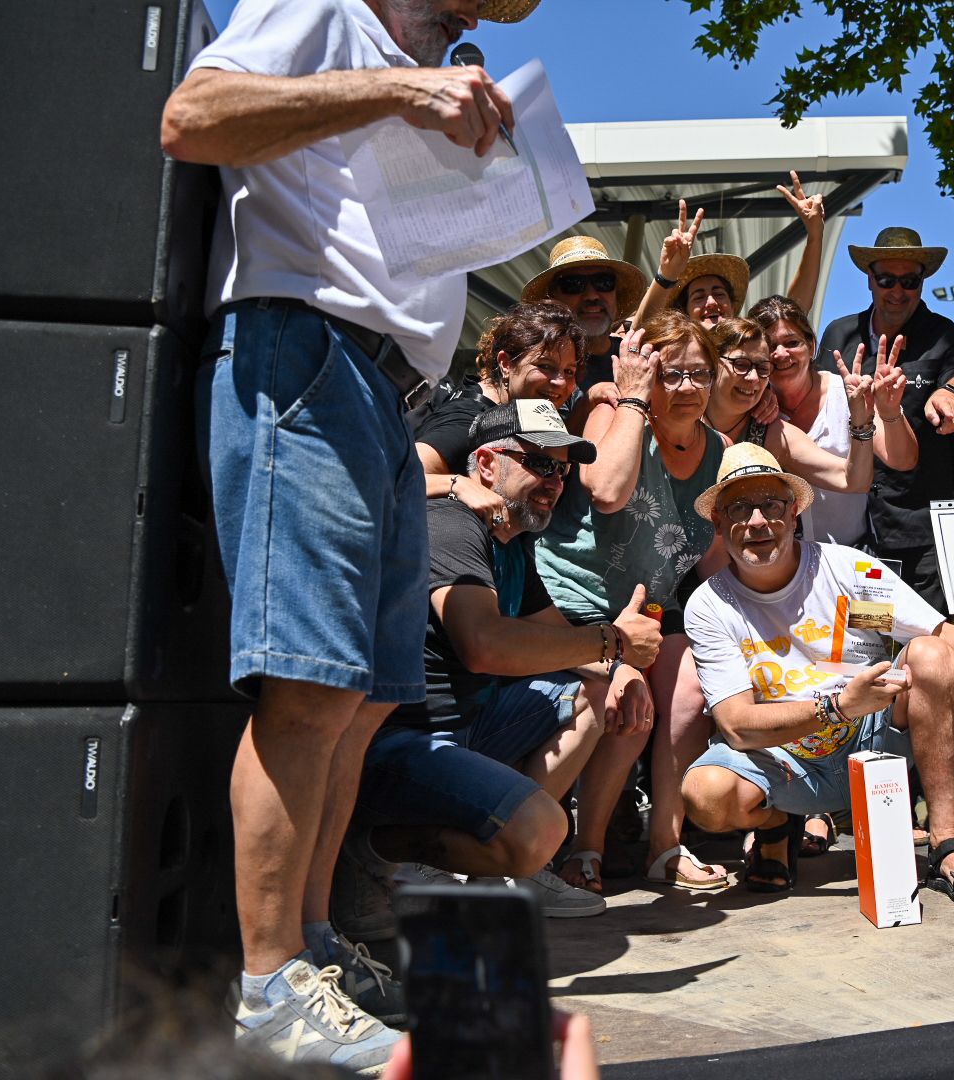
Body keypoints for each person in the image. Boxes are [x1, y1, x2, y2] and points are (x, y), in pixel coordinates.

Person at [160, 0, 538, 1068]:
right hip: (304, 353)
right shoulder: (324, 6)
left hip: (382, 393)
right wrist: (397, 91)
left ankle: (311, 951)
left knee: (363, 701)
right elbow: (194, 114)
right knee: (310, 684)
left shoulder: (421, 59)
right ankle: (271, 986)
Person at [335, 400, 663, 939]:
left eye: (562, 469)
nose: (555, 481)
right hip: (398, 748)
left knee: (594, 692)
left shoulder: (511, 542)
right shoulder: (451, 525)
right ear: (486, 464)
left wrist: (619, 662)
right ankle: (374, 851)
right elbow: (483, 646)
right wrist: (611, 641)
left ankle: (503, 867)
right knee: (539, 832)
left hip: (465, 730)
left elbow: (562, 639)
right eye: (539, 462)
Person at [680, 444, 954, 902]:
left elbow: (940, 637)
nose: (757, 520)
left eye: (771, 505)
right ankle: (778, 823)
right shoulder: (710, 605)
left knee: (931, 654)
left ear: (794, 512)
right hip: (784, 761)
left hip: (872, 736)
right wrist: (837, 706)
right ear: (718, 524)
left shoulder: (848, 575)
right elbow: (736, 725)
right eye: (739, 507)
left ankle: (946, 840)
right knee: (705, 794)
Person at [534, 311, 730, 894]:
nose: (688, 388)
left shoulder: (718, 449)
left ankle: (665, 846)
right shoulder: (614, 414)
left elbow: (714, 561)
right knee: (629, 693)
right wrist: (632, 402)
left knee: (691, 682)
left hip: (648, 612)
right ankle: (585, 848)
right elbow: (609, 492)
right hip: (572, 599)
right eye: (672, 374)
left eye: (699, 374)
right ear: (647, 374)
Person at [817, 227, 954, 607]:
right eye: (886, 279)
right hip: (844, 529)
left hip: (916, 530)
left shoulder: (947, 334)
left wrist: (951, 394)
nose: (897, 291)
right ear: (869, 279)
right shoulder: (838, 334)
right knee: (865, 646)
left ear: (922, 283)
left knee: (922, 643)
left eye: (909, 281)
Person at [750, 294, 919, 546]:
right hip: (778, 564)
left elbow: (903, 460)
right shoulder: (751, 408)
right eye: (770, 346)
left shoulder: (848, 394)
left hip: (850, 557)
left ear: (811, 345)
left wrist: (889, 411)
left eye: (792, 342)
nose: (781, 354)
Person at [413, 301, 582, 521]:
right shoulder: (467, 420)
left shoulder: (511, 410)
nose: (560, 382)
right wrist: (457, 484)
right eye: (545, 366)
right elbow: (401, 477)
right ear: (505, 363)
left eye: (569, 371)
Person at [704, 314, 907, 497]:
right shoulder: (683, 411)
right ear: (711, 363)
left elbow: (853, 481)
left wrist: (861, 420)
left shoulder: (772, 434)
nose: (753, 378)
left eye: (763, 368)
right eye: (740, 365)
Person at [633, 174, 826, 330]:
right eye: (698, 297)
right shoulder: (672, 353)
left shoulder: (752, 346)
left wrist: (815, 235)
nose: (711, 302)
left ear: (733, 307)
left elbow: (794, 312)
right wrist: (666, 275)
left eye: (719, 294)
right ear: (685, 313)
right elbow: (639, 333)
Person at [520, 236, 648, 406]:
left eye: (603, 282)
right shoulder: (533, 364)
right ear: (552, 299)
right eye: (573, 284)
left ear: (616, 295)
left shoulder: (635, 357)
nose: (592, 296)